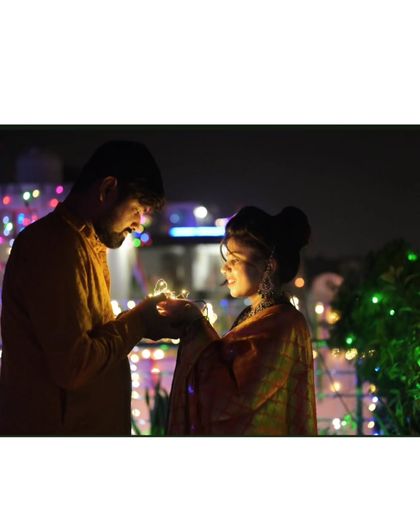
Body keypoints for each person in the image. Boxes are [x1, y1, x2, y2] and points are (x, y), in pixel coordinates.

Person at [0, 140, 177, 435]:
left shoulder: (86, 245)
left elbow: (93, 341)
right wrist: (139, 321)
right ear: (107, 189)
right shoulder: (53, 247)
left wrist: (143, 323)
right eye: (136, 210)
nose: (138, 224)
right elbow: (75, 365)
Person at [160, 206, 317, 436]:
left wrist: (195, 325)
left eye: (234, 259)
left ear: (268, 266)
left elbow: (233, 401)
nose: (225, 267)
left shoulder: (284, 325)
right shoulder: (254, 315)